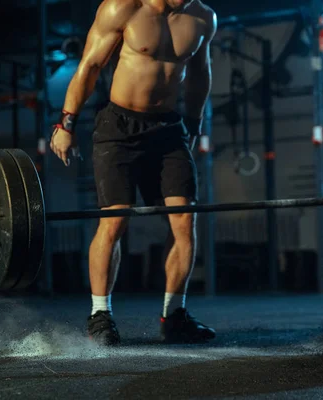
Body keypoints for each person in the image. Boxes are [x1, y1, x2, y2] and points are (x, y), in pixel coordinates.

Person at [50, 0, 217, 345]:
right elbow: (91, 65)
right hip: (119, 127)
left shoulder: (203, 17)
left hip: (169, 130)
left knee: (185, 221)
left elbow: (200, 72)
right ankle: (100, 315)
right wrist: (66, 122)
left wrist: (195, 121)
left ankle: (174, 316)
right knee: (114, 220)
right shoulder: (122, 8)